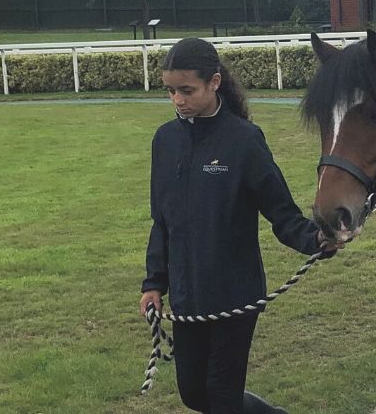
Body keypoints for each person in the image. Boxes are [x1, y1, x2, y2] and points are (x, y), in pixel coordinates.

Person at [139, 37, 341, 414]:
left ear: (214, 83)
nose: (177, 100)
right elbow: (162, 221)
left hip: (235, 296)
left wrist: (316, 239)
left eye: (187, 90)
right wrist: (154, 283)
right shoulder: (164, 141)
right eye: (170, 91)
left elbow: (281, 213)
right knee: (193, 393)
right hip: (186, 298)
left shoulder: (244, 141)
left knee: (221, 395)